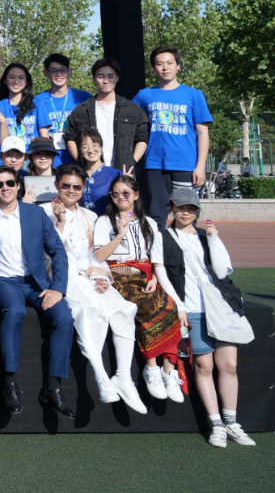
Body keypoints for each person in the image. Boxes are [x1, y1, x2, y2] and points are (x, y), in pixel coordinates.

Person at [0, 165, 76, 418]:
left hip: (35, 282)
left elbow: (58, 252)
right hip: (1, 282)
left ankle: (52, 387)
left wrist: (58, 289)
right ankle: (9, 383)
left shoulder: (35, 214)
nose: (5, 188)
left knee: (64, 317)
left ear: (18, 185)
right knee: (15, 311)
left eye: (10, 183)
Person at [160, 188, 255, 447]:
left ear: (198, 211)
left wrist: (215, 241)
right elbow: (161, 273)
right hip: (191, 312)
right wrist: (179, 306)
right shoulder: (163, 237)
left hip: (221, 308)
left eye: (191, 208)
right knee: (204, 366)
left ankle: (232, 422)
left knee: (229, 365)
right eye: (181, 207)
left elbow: (222, 272)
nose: (186, 212)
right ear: (172, 208)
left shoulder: (206, 236)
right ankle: (216, 424)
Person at [47, 165, 145, 413]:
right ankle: (101, 376)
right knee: (89, 312)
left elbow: (96, 254)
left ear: (83, 189)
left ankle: (123, 376)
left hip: (91, 277)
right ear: (56, 185)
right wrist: (60, 223)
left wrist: (102, 277)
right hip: (64, 279)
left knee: (124, 309)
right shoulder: (42, 213)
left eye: (77, 186)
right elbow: (49, 253)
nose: (71, 190)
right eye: (66, 185)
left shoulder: (91, 216)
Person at [93, 175, 188, 404]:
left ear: (136, 195)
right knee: (146, 306)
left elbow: (157, 263)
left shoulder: (150, 224)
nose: (121, 197)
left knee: (169, 306)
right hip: (118, 277)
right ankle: (151, 367)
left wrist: (157, 279)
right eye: (116, 193)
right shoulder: (104, 222)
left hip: (145, 276)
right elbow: (100, 256)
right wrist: (120, 235)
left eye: (126, 193)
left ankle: (169, 370)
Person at [134, 46, 212, 226]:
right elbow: (130, 123)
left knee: (186, 215)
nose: (165, 67)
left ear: (178, 66)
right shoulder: (144, 95)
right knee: (156, 216)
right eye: (159, 64)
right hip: (154, 164)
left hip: (186, 164)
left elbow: (202, 133)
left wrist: (200, 166)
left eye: (169, 63)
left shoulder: (194, 95)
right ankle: (158, 245)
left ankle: (186, 246)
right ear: (153, 68)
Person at [63, 58, 148, 173]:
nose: (106, 81)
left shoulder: (132, 109)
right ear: (94, 79)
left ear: (117, 78)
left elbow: (142, 138)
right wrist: (81, 161)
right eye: (101, 76)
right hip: (92, 172)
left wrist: (131, 163)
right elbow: (70, 137)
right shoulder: (81, 110)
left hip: (122, 172)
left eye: (110, 76)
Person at [32, 54, 91, 166]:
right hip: (50, 162)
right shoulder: (37, 100)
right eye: (54, 70)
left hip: (80, 160)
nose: (59, 74)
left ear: (69, 72)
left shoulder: (83, 97)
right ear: (46, 73)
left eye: (63, 70)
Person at [76, 129, 122, 216]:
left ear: (101, 147)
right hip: (83, 222)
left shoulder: (115, 174)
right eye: (85, 147)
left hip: (107, 222)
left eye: (95, 145)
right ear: (80, 150)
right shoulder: (76, 175)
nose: (91, 150)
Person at [0, 63, 37, 144]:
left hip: (32, 152)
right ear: (5, 80)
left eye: (21, 78)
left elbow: (44, 136)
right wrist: (3, 122)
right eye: (12, 77)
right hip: (8, 151)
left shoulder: (36, 103)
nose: (16, 81)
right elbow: (1, 144)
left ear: (26, 82)